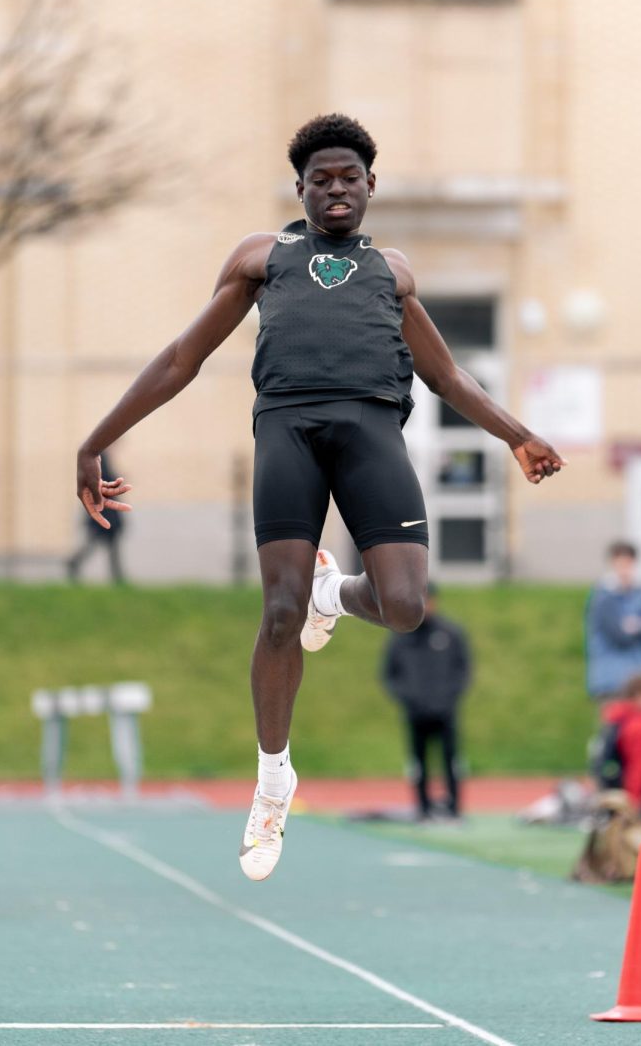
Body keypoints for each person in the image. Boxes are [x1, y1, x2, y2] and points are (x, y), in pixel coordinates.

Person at [76, 113, 565, 880]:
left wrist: (516, 434)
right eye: (320, 180)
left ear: (372, 186)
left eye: (349, 178)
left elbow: (446, 376)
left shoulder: (391, 271)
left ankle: (334, 600)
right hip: (288, 432)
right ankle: (273, 781)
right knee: (277, 609)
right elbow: (182, 358)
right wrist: (93, 440)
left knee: (406, 606)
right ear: (301, 189)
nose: (335, 190)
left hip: (372, 433)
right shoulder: (262, 258)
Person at [381, 583, 471, 820]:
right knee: (418, 764)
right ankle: (423, 808)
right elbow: (390, 675)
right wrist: (409, 699)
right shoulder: (401, 636)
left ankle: (453, 808)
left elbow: (463, 670)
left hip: (445, 711)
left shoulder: (450, 633)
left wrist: (448, 697)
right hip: (415, 713)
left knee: (451, 762)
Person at [585, 542, 641, 700]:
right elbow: (621, 635)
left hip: (639, 682)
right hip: (611, 683)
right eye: (620, 565)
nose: (624, 570)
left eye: (628, 564)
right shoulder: (603, 599)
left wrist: (635, 626)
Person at [591, 672, 641, 812]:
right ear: (639, 695)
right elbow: (640, 766)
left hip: (612, 791)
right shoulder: (639, 725)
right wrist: (634, 802)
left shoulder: (618, 718)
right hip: (630, 798)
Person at [66, 452, 127, 584]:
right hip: (104, 514)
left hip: (106, 513)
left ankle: (117, 576)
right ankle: (74, 562)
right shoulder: (99, 461)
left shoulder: (99, 460)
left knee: (109, 546)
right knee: (98, 544)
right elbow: (104, 483)